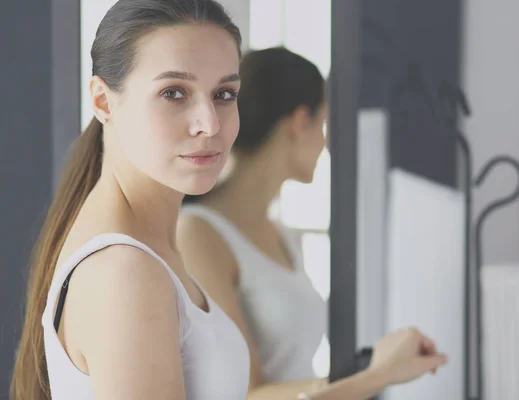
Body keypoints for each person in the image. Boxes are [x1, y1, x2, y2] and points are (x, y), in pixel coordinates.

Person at [10, 1, 251, 399]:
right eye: (174, 92)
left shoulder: (145, 248)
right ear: (104, 102)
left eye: (224, 93)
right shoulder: (125, 271)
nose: (209, 124)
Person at [177, 47, 448, 400]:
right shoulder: (197, 233)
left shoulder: (281, 235)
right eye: (323, 124)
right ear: (299, 121)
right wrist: (378, 375)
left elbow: (293, 377)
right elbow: (248, 393)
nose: (326, 143)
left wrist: (374, 371)